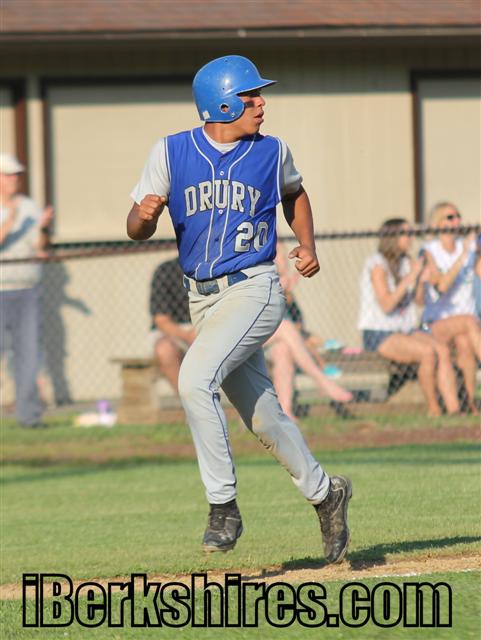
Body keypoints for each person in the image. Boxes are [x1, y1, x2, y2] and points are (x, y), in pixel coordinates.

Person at [127, 55, 352, 563]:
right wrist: (143, 217)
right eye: (251, 95)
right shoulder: (171, 152)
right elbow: (135, 227)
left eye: (258, 95)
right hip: (202, 298)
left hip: (255, 288)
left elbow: (295, 194)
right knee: (264, 416)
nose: (261, 103)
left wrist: (307, 244)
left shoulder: (272, 151)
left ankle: (223, 506)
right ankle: (326, 494)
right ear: (222, 102)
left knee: (193, 380)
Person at [358, 218, 460, 417]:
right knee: (427, 353)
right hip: (379, 333)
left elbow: (419, 301)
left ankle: (454, 410)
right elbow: (387, 304)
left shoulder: (406, 262)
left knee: (442, 350)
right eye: (407, 234)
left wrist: (420, 281)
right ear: (392, 237)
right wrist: (411, 277)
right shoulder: (377, 264)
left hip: (404, 329)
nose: (411, 238)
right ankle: (434, 409)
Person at [266, 241, 353, 421]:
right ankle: (322, 381)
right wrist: (279, 288)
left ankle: (285, 411)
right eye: (278, 254)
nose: (282, 260)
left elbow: (298, 327)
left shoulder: (284, 287)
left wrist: (285, 292)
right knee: (286, 327)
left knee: (282, 350)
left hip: (271, 342)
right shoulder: (258, 279)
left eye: (283, 255)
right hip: (245, 336)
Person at [0, 152, 53, 428]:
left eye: (16, 175)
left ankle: (30, 417)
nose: (14, 180)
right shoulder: (12, 211)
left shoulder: (30, 207)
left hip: (27, 289)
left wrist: (42, 229)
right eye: (9, 175)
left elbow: (38, 246)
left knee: (29, 355)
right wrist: (10, 219)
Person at [420, 202, 481, 414]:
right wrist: (463, 255)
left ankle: (469, 405)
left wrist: (475, 251)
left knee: (465, 344)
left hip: (466, 328)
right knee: (470, 322)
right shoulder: (430, 251)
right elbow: (441, 286)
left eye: (458, 216)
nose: (456, 221)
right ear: (438, 223)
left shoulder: (470, 248)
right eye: (450, 217)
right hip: (435, 323)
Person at [149, 257, 195, 392]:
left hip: (202, 326)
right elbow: (161, 320)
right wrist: (187, 335)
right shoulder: (166, 270)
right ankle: (185, 398)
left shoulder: (214, 267)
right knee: (164, 350)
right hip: (175, 331)